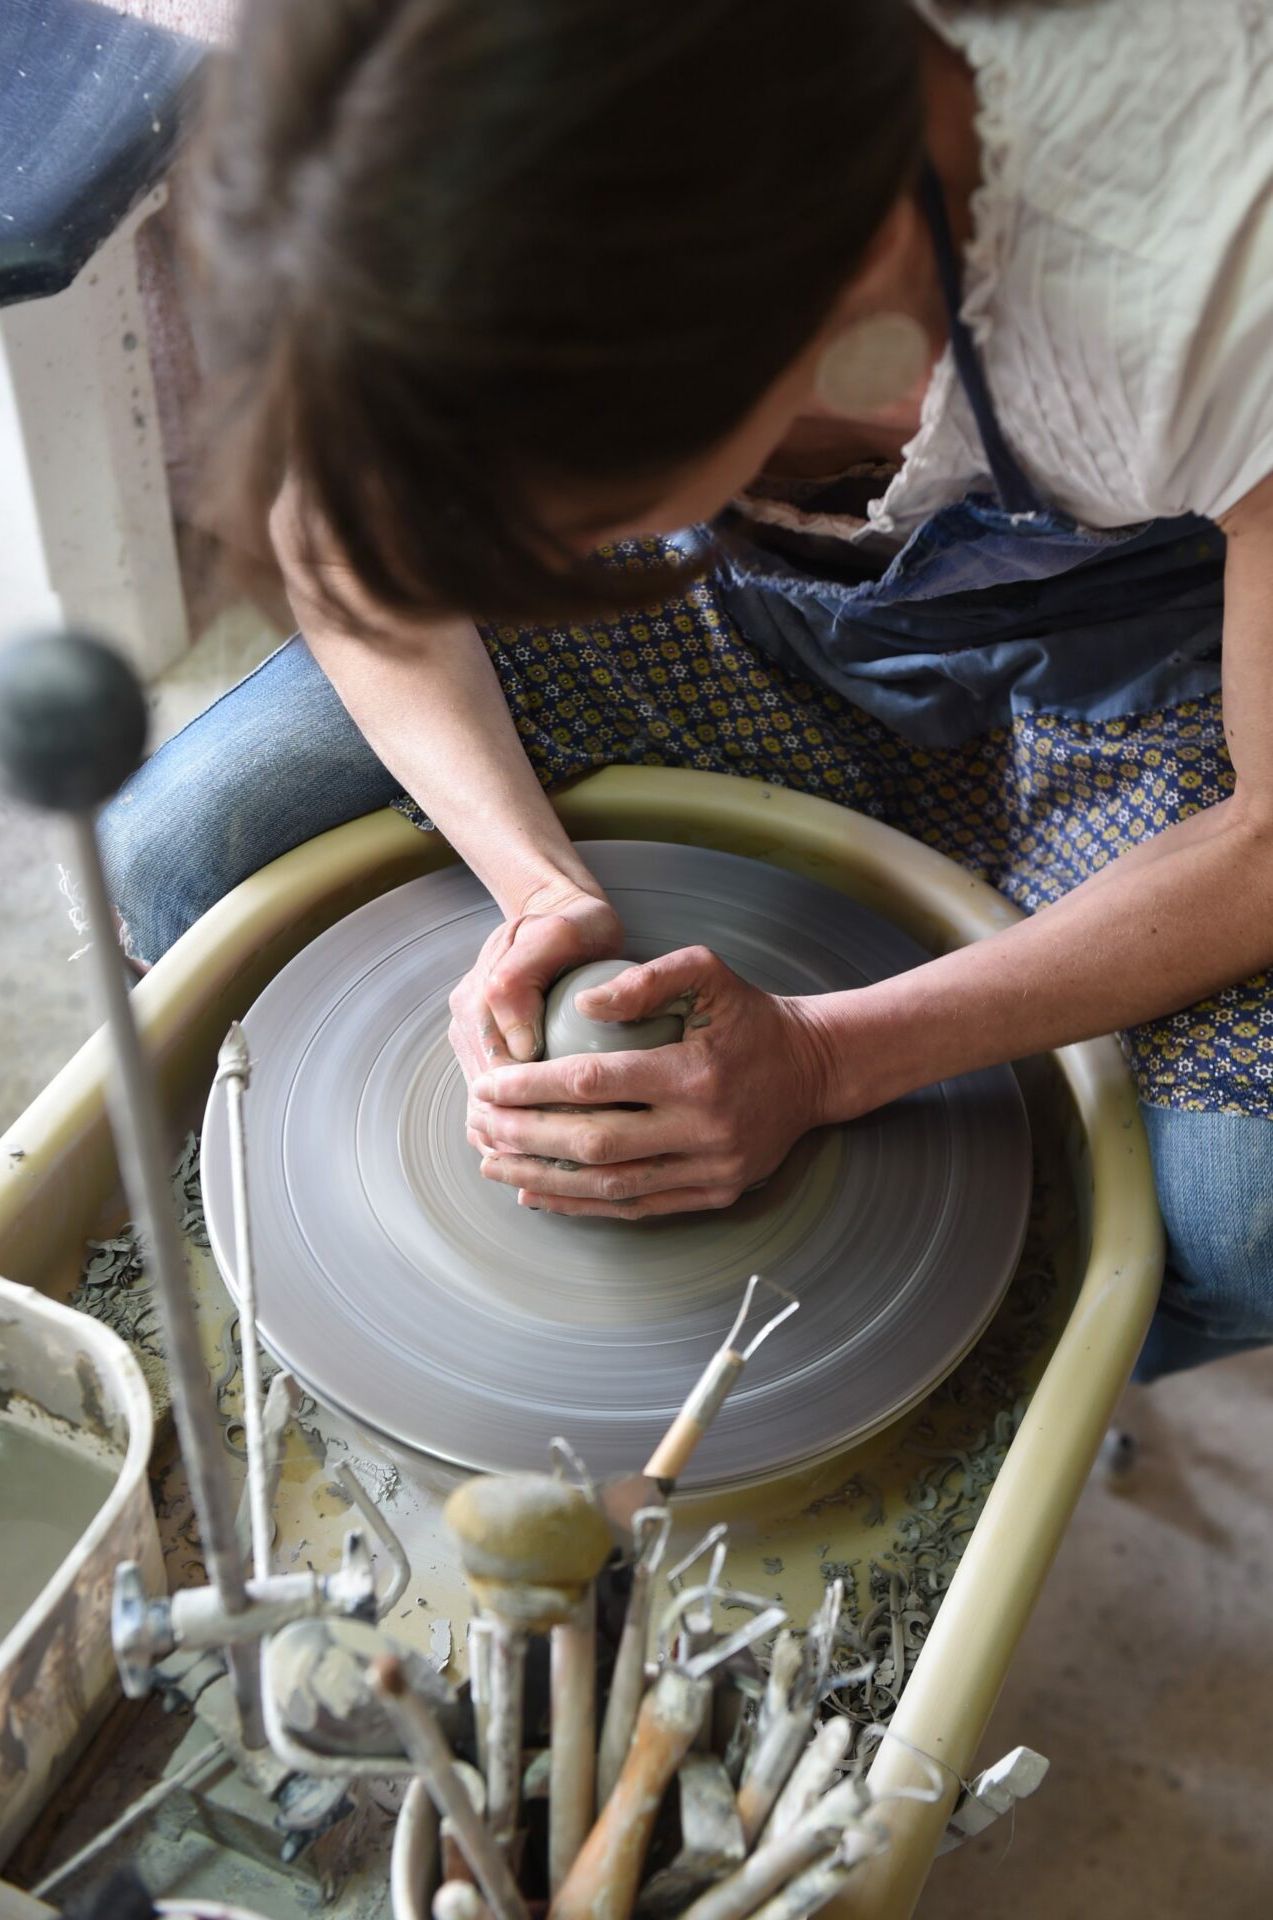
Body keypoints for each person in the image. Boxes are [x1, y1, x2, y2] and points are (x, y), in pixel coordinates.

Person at [100, 0, 1273, 1379]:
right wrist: (535, 884)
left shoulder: (1207, 250)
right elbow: (346, 503)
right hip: (731, 593)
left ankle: (913, 1390)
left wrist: (833, 1061)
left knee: (1231, 1222)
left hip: (1141, 664)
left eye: (545, 499)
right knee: (189, 846)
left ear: (845, 299)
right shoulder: (458, 104)